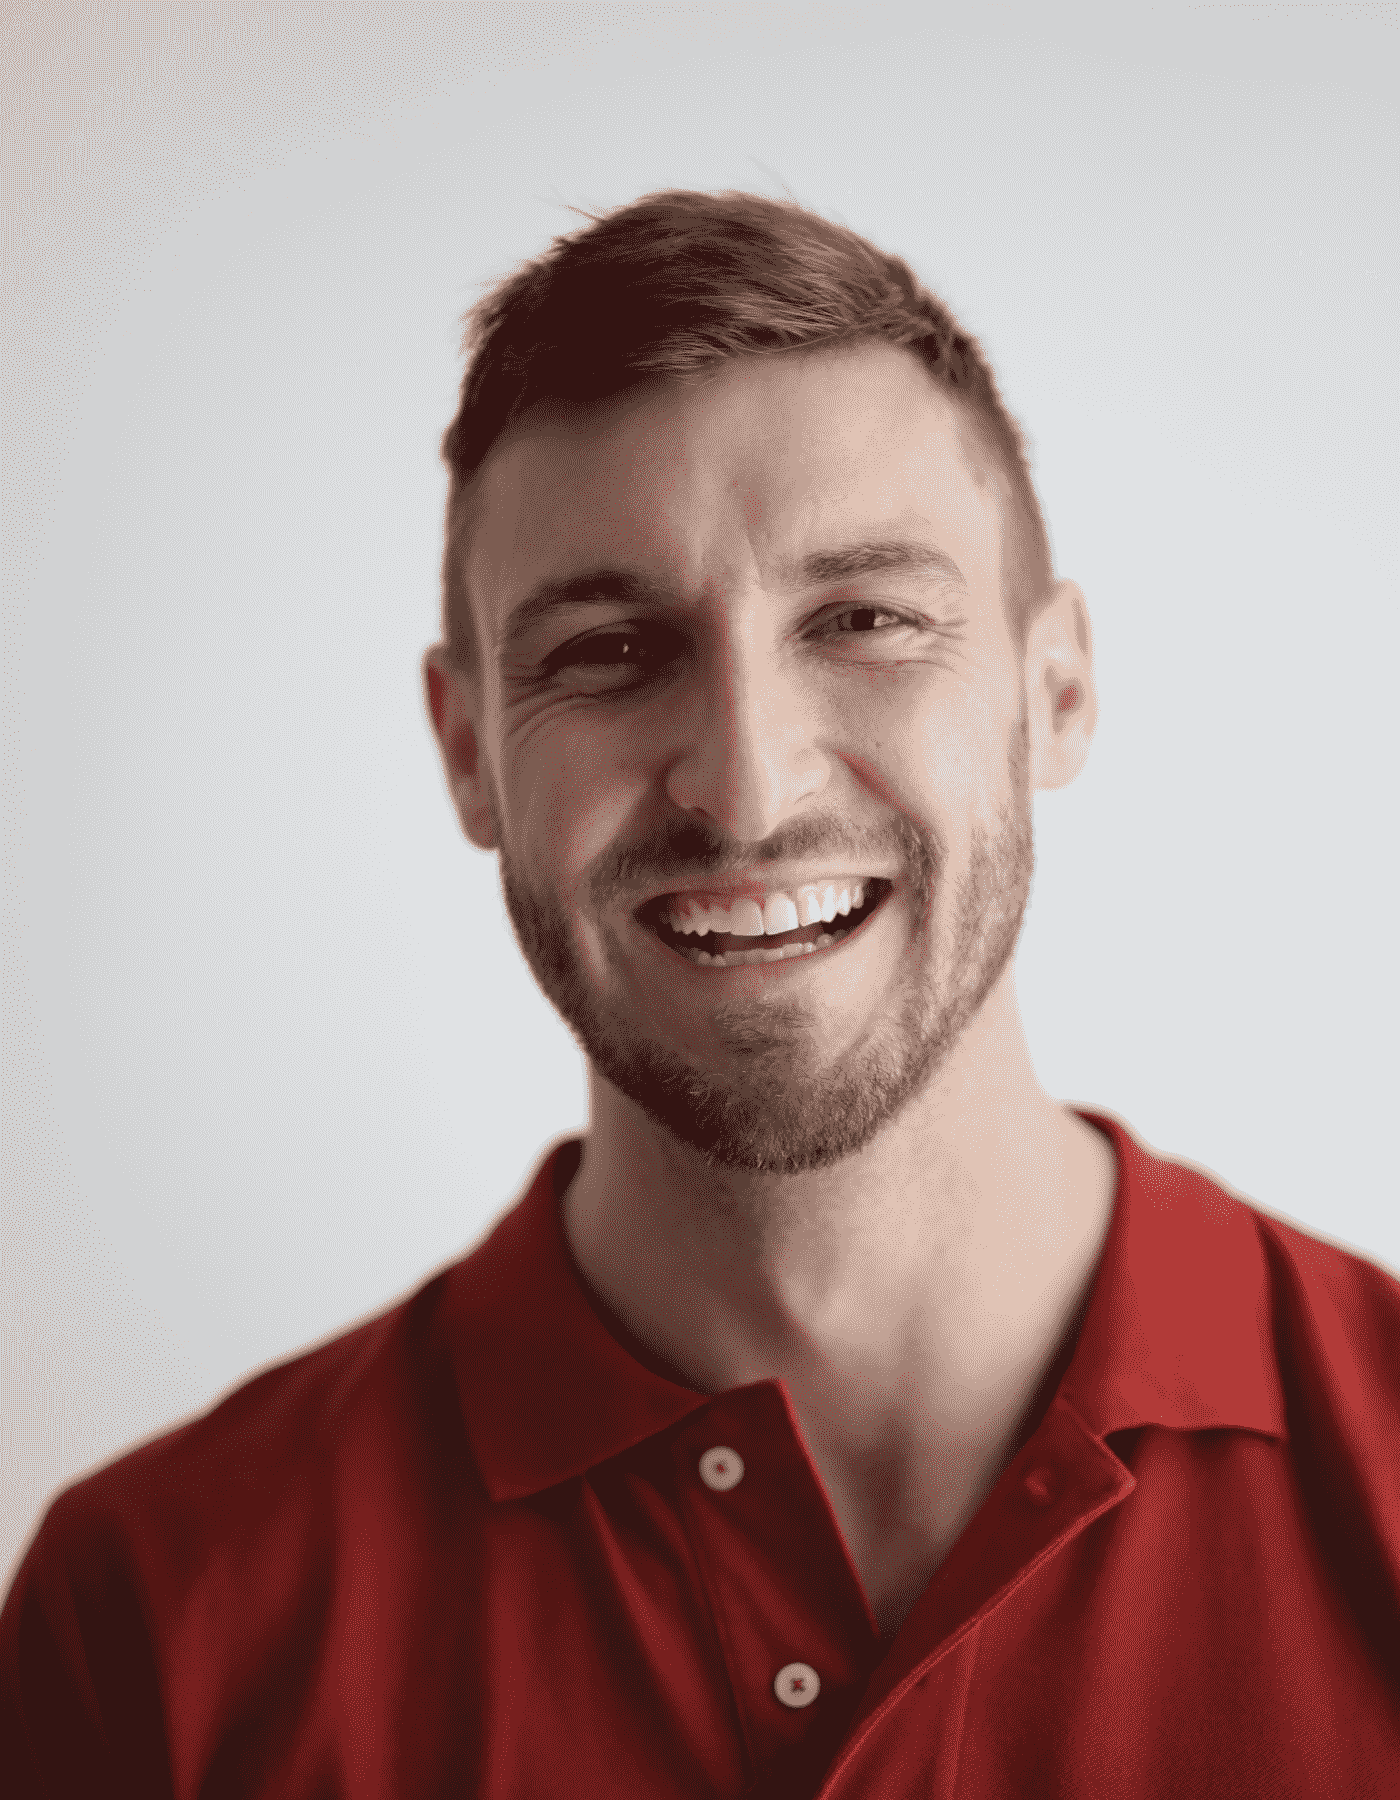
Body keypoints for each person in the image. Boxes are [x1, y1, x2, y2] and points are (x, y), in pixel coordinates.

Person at [3, 189, 1397, 1799]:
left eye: (863, 621)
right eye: (608, 652)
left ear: (1057, 691)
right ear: (468, 754)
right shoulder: (155, 1620)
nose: (744, 789)